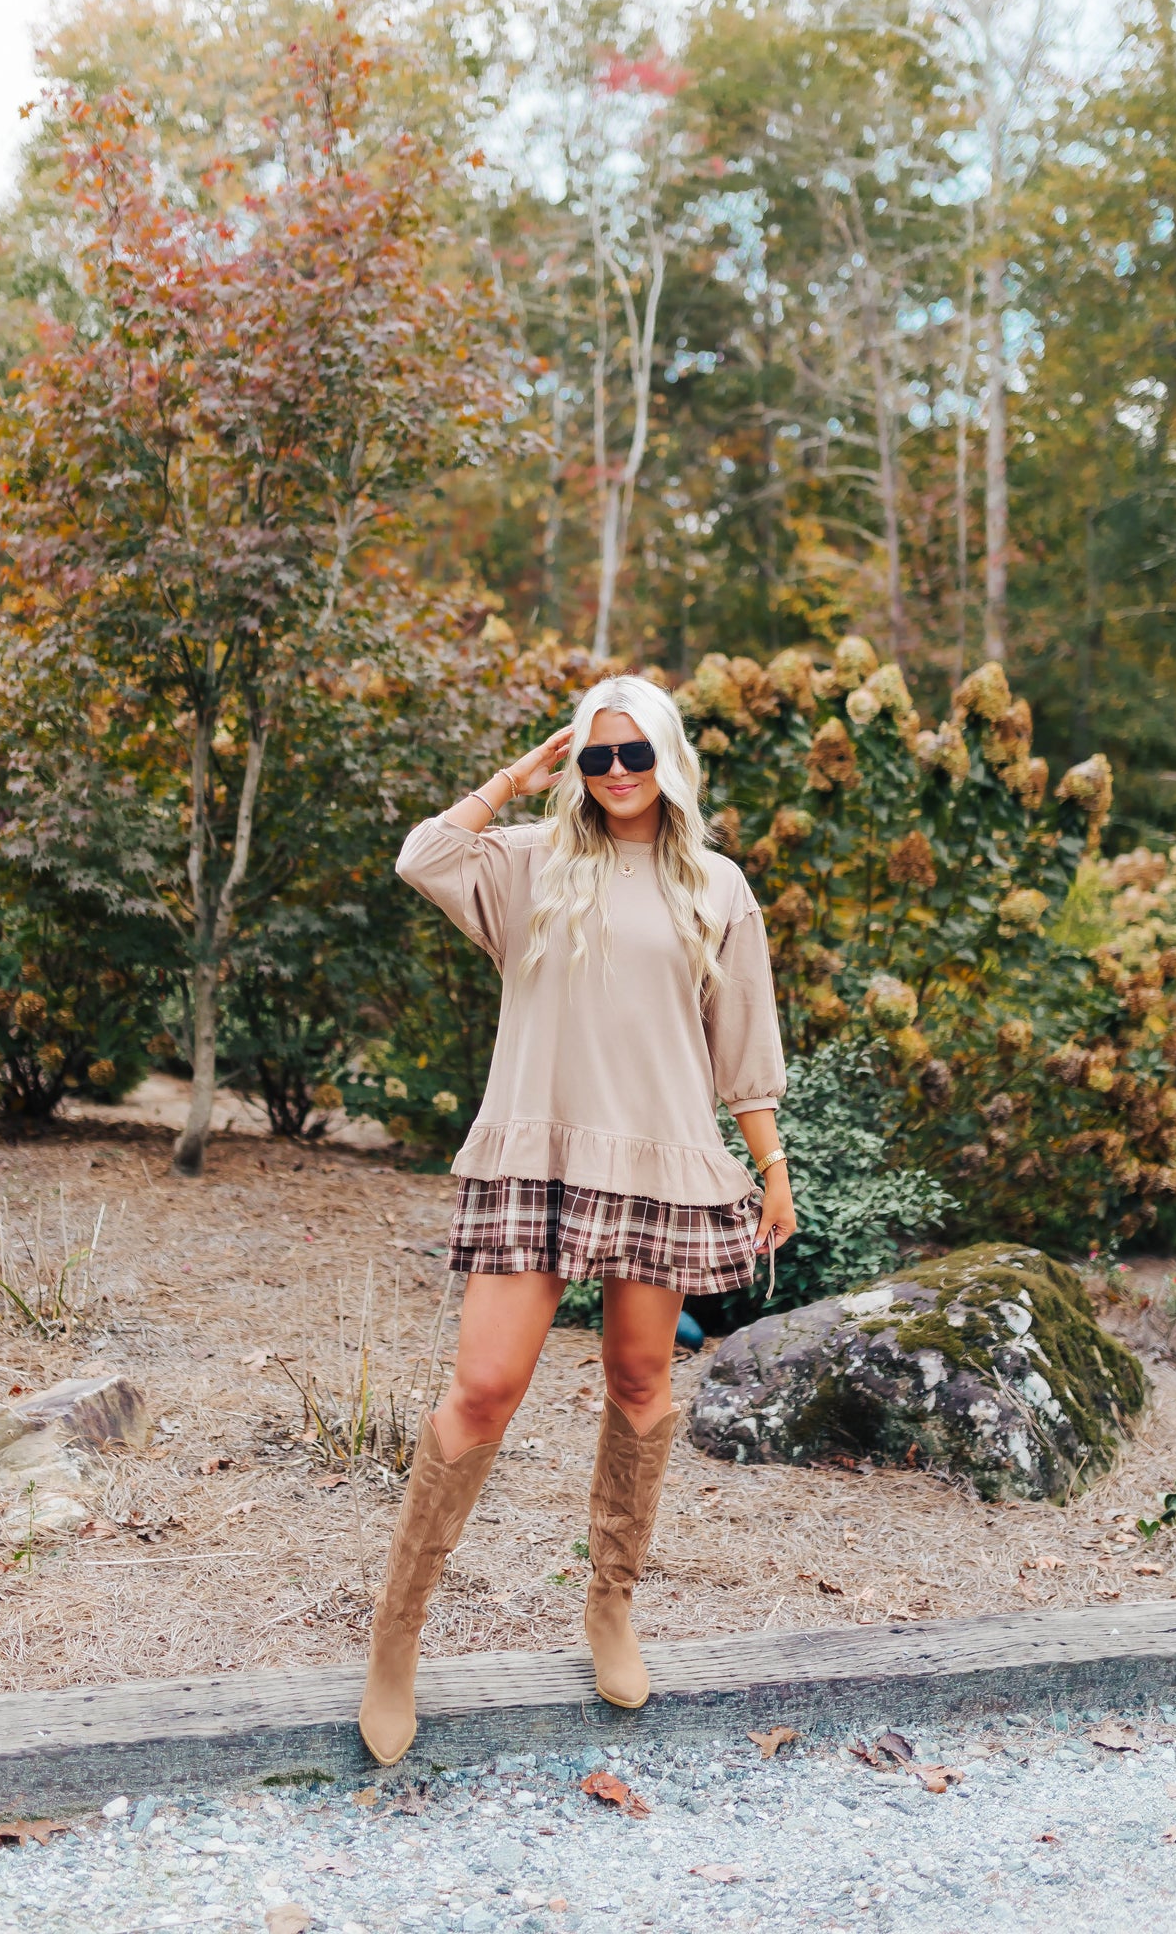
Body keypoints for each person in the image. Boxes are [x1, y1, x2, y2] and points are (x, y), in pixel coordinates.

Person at [357, 673, 795, 1765]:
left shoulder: (716, 887)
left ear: (668, 758)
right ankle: (395, 1635)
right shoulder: (529, 862)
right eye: (595, 757)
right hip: (536, 1153)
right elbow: (422, 857)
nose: (612, 775)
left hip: (660, 1163)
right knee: (482, 1389)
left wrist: (771, 1167)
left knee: (641, 1380)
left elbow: (741, 1046)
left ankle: (610, 1602)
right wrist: (519, 774)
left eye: (631, 754)